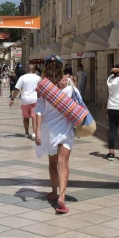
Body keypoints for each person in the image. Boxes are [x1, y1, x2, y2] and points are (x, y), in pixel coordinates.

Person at [34, 56, 77, 214]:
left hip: (49, 129)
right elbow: (77, 103)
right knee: (64, 162)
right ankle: (62, 196)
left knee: (53, 163)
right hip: (65, 127)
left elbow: (39, 109)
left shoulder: (42, 86)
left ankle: (53, 191)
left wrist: (37, 130)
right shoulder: (69, 82)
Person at [10, 64, 42, 139]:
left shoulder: (22, 78)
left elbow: (17, 89)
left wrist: (12, 99)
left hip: (25, 100)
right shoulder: (38, 78)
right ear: (34, 70)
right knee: (34, 117)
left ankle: (26, 133)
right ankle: (34, 133)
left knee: (25, 117)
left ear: (27, 70)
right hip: (35, 99)